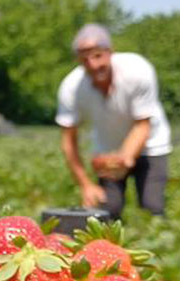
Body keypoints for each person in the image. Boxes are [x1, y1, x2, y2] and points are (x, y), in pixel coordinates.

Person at [56, 23, 172, 217]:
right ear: (78, 61)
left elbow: (143, 125)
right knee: (106, 210)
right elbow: (68, 141)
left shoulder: (138, 70)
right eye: (85, 60)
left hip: (151, 145)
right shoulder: (71, 88)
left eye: (98, 56)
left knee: (152, 208)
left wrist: (125, 160)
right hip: (108, 150)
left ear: (110, 52)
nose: (93, 65)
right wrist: (86, 185)